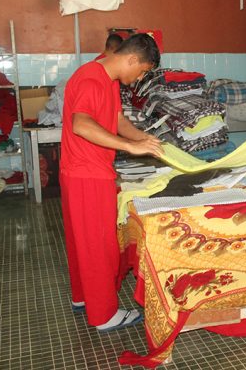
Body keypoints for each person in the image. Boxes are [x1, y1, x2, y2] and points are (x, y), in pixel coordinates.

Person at [60, 33, 164, 332]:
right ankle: (104, 314)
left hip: (82, 173)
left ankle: (84, 298)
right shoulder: (92, 79)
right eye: (142, 70)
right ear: (131, 58)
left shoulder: (108, 79)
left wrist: (142, 138)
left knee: (83, 243)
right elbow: (81, 124)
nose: (139, 77)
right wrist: (128, 147)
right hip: (87, 175)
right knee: (99, 246)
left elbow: (116, 120)